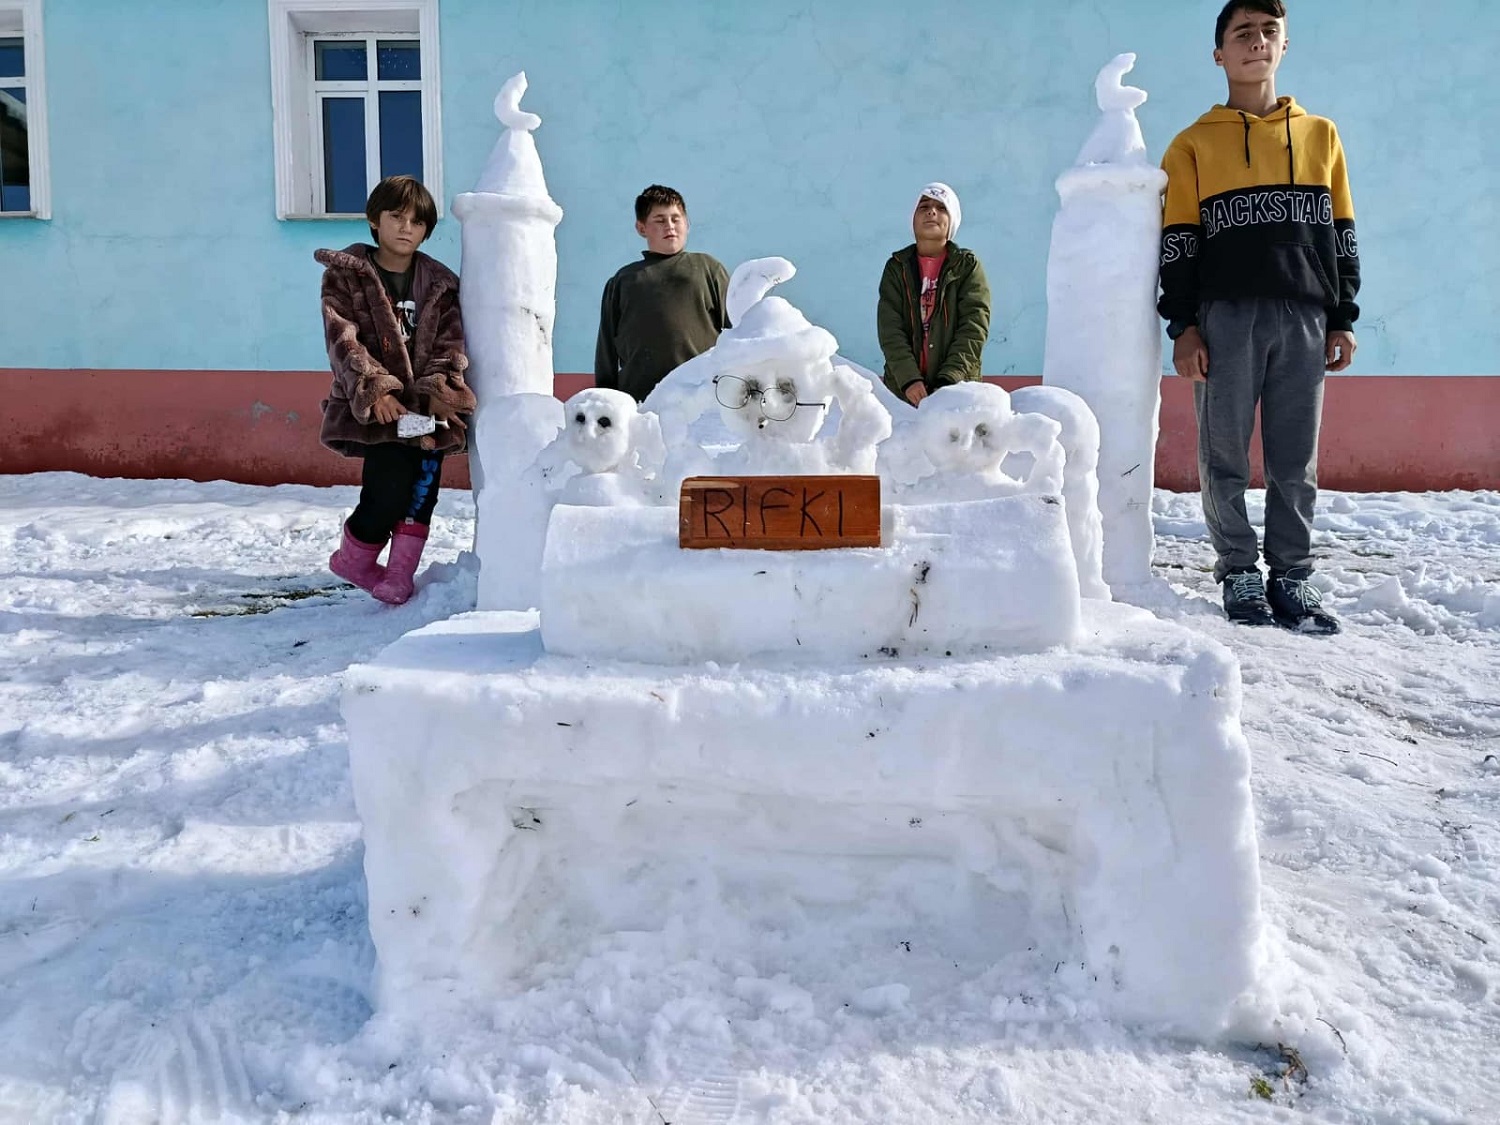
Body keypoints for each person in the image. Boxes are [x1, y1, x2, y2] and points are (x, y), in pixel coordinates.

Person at [1159, 0, 1359, 633]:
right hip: (1225, 318)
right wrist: (1183, 325)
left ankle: (1292, 575)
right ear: (1219, 53)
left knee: (1294, 458)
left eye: (1269, 32)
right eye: (1242, 33)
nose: (1257, 42)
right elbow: (1179, 243)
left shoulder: (1321, 136)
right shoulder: (1191, 144)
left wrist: (1343, 314)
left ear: (1285, 46)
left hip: (1304, 315)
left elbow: (1341, 234)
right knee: (1223, 454)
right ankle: (1239, 568)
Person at [317, 174, 475, 606]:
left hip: (427, 409)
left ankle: (400, 574)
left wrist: (440, 389)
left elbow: (451, 341)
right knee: (387, 489)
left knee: (423, 486)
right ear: (374, 220)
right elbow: (343, 339)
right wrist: (376, 390)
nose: (407, 227)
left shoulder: (439, 283)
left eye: (417, 221)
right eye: (396, 217)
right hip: (385, 412)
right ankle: (355, 558)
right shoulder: (347, 276)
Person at [594, 185, 731, 402]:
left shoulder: (707, 269)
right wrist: (605, 400)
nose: (670, 226)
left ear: (687, 224)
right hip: (640, 400)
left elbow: (734, 331)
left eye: (676, 219)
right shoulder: (624, 280)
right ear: (641, 228)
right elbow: (606, 347)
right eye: (660, 220)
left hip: (700, 398)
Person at [877, 182, 992, 407]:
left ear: (952, 221)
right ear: (913, 219)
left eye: (941, 208)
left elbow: (973, 328)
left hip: (957, 390)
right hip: (903, 392)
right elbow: (890, 329)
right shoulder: (896, 268)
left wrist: (950, 379)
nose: (932, 212)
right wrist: (909, 379)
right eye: (924, 206)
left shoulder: (966, 267)